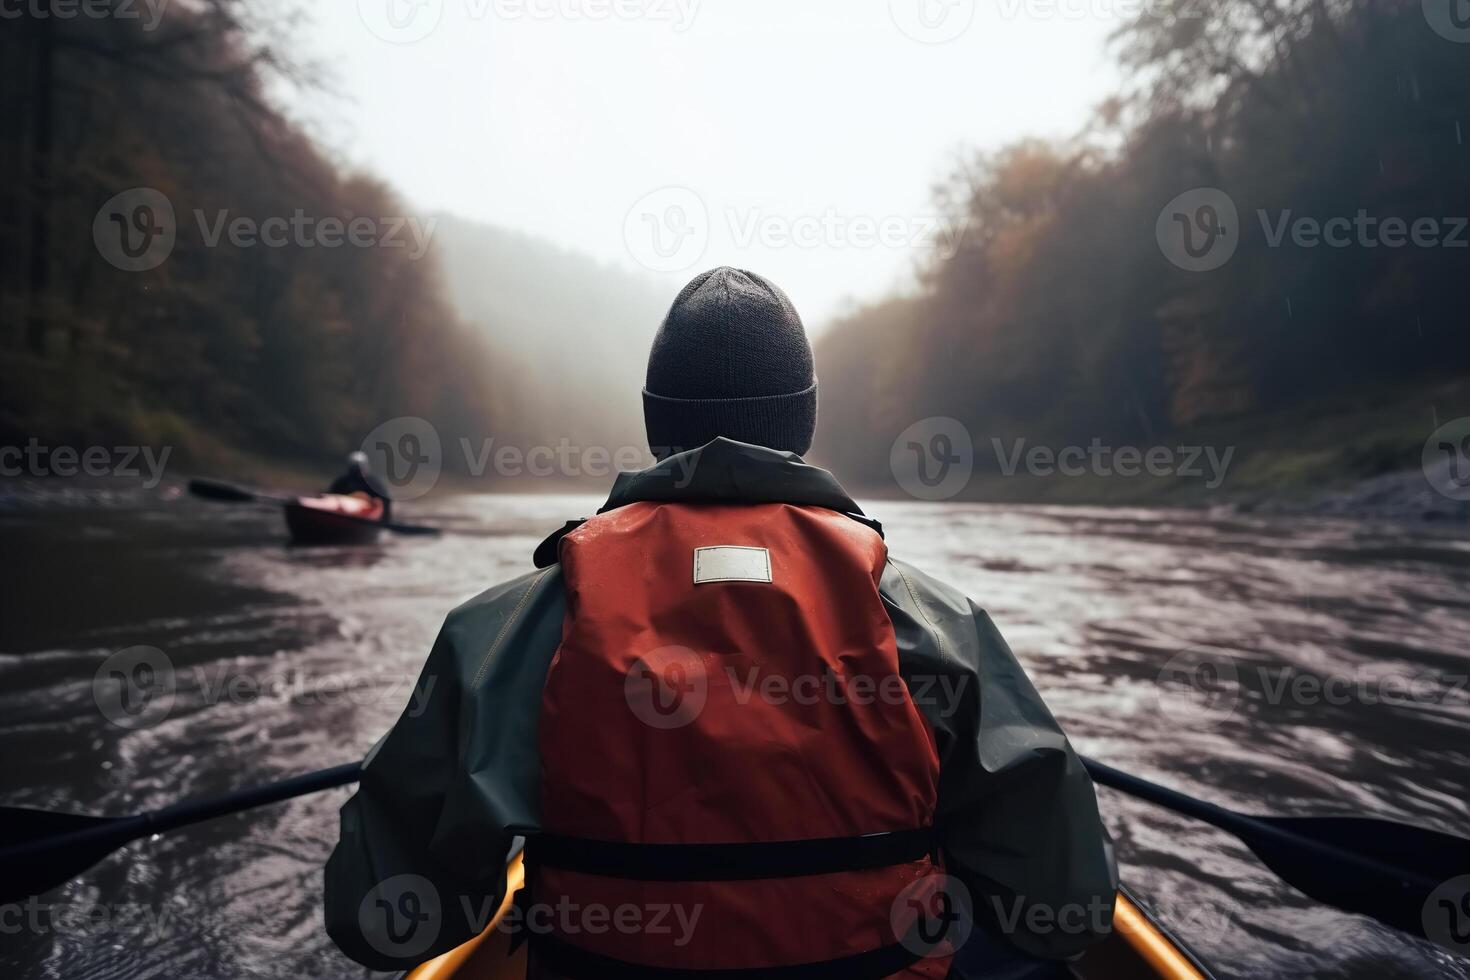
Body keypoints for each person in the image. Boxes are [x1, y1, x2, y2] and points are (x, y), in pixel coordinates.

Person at [324, 267, 1117, 978]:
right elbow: (1065, 907)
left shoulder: (503, 633)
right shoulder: (935, 623)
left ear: (652, 421)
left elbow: (377, 919)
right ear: (803, 421)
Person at [326, 451, 392, 521]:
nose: (358, 471)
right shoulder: (343, 481)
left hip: (368, 518)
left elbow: (385, 500)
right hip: (342, 516)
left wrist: (384, 521)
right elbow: (331, 496)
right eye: (355, 468)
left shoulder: (373, 483)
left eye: (359, 467)